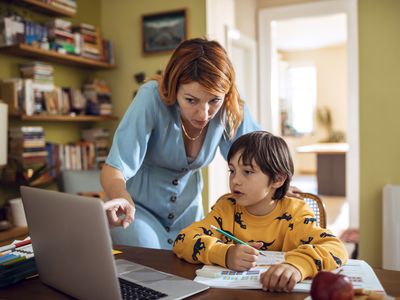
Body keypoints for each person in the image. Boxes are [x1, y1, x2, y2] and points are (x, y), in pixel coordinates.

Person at [100, 37, 260, 249]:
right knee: (149, 258)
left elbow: (260, 159)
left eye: (214, 100)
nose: (204, 114)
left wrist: (279, 183)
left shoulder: (230, 107)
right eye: (191, 100)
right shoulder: (150, 98)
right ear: (174, 89)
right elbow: (114, 168)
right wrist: (121, 197)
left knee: (193, 269)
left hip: (190, 215)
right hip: (137, 210)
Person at [173, 131, 348, 292]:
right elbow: (183, 240)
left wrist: (297, 266)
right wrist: (224, 254)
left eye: (248, 171)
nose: (235, 180)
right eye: (232, 170)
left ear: (278, 179)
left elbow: (336, 248)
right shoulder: (226, 208)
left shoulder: (295, 212)